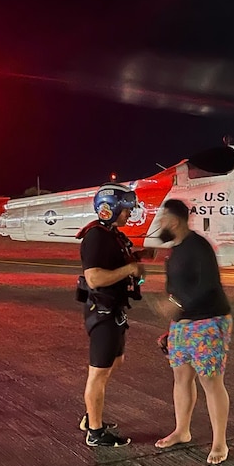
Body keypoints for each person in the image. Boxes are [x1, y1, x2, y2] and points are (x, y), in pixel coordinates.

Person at [153, 199, 233, 464]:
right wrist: (173, 324)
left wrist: (176, 306)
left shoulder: (198, 247)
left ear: (174, 220)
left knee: (210, 381)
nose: (160, 223)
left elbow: (209, 285)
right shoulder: (175, 250)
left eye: (163, 218)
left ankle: (219, 442)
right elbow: (175, 291)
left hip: (208, 321)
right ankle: (182, 430)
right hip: (182, 325)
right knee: (181, 378)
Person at [75, 184, 143, 447]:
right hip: (101, 312)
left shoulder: (110, 234)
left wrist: (137, 259)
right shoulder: (96, 237)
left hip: (113, 310)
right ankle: (94, 431)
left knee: (116, 361)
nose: (129, 214)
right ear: (111, 209)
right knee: (98, 372)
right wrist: (129, 269)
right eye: (125, 210)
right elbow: (94, 278)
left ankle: (93, 413)